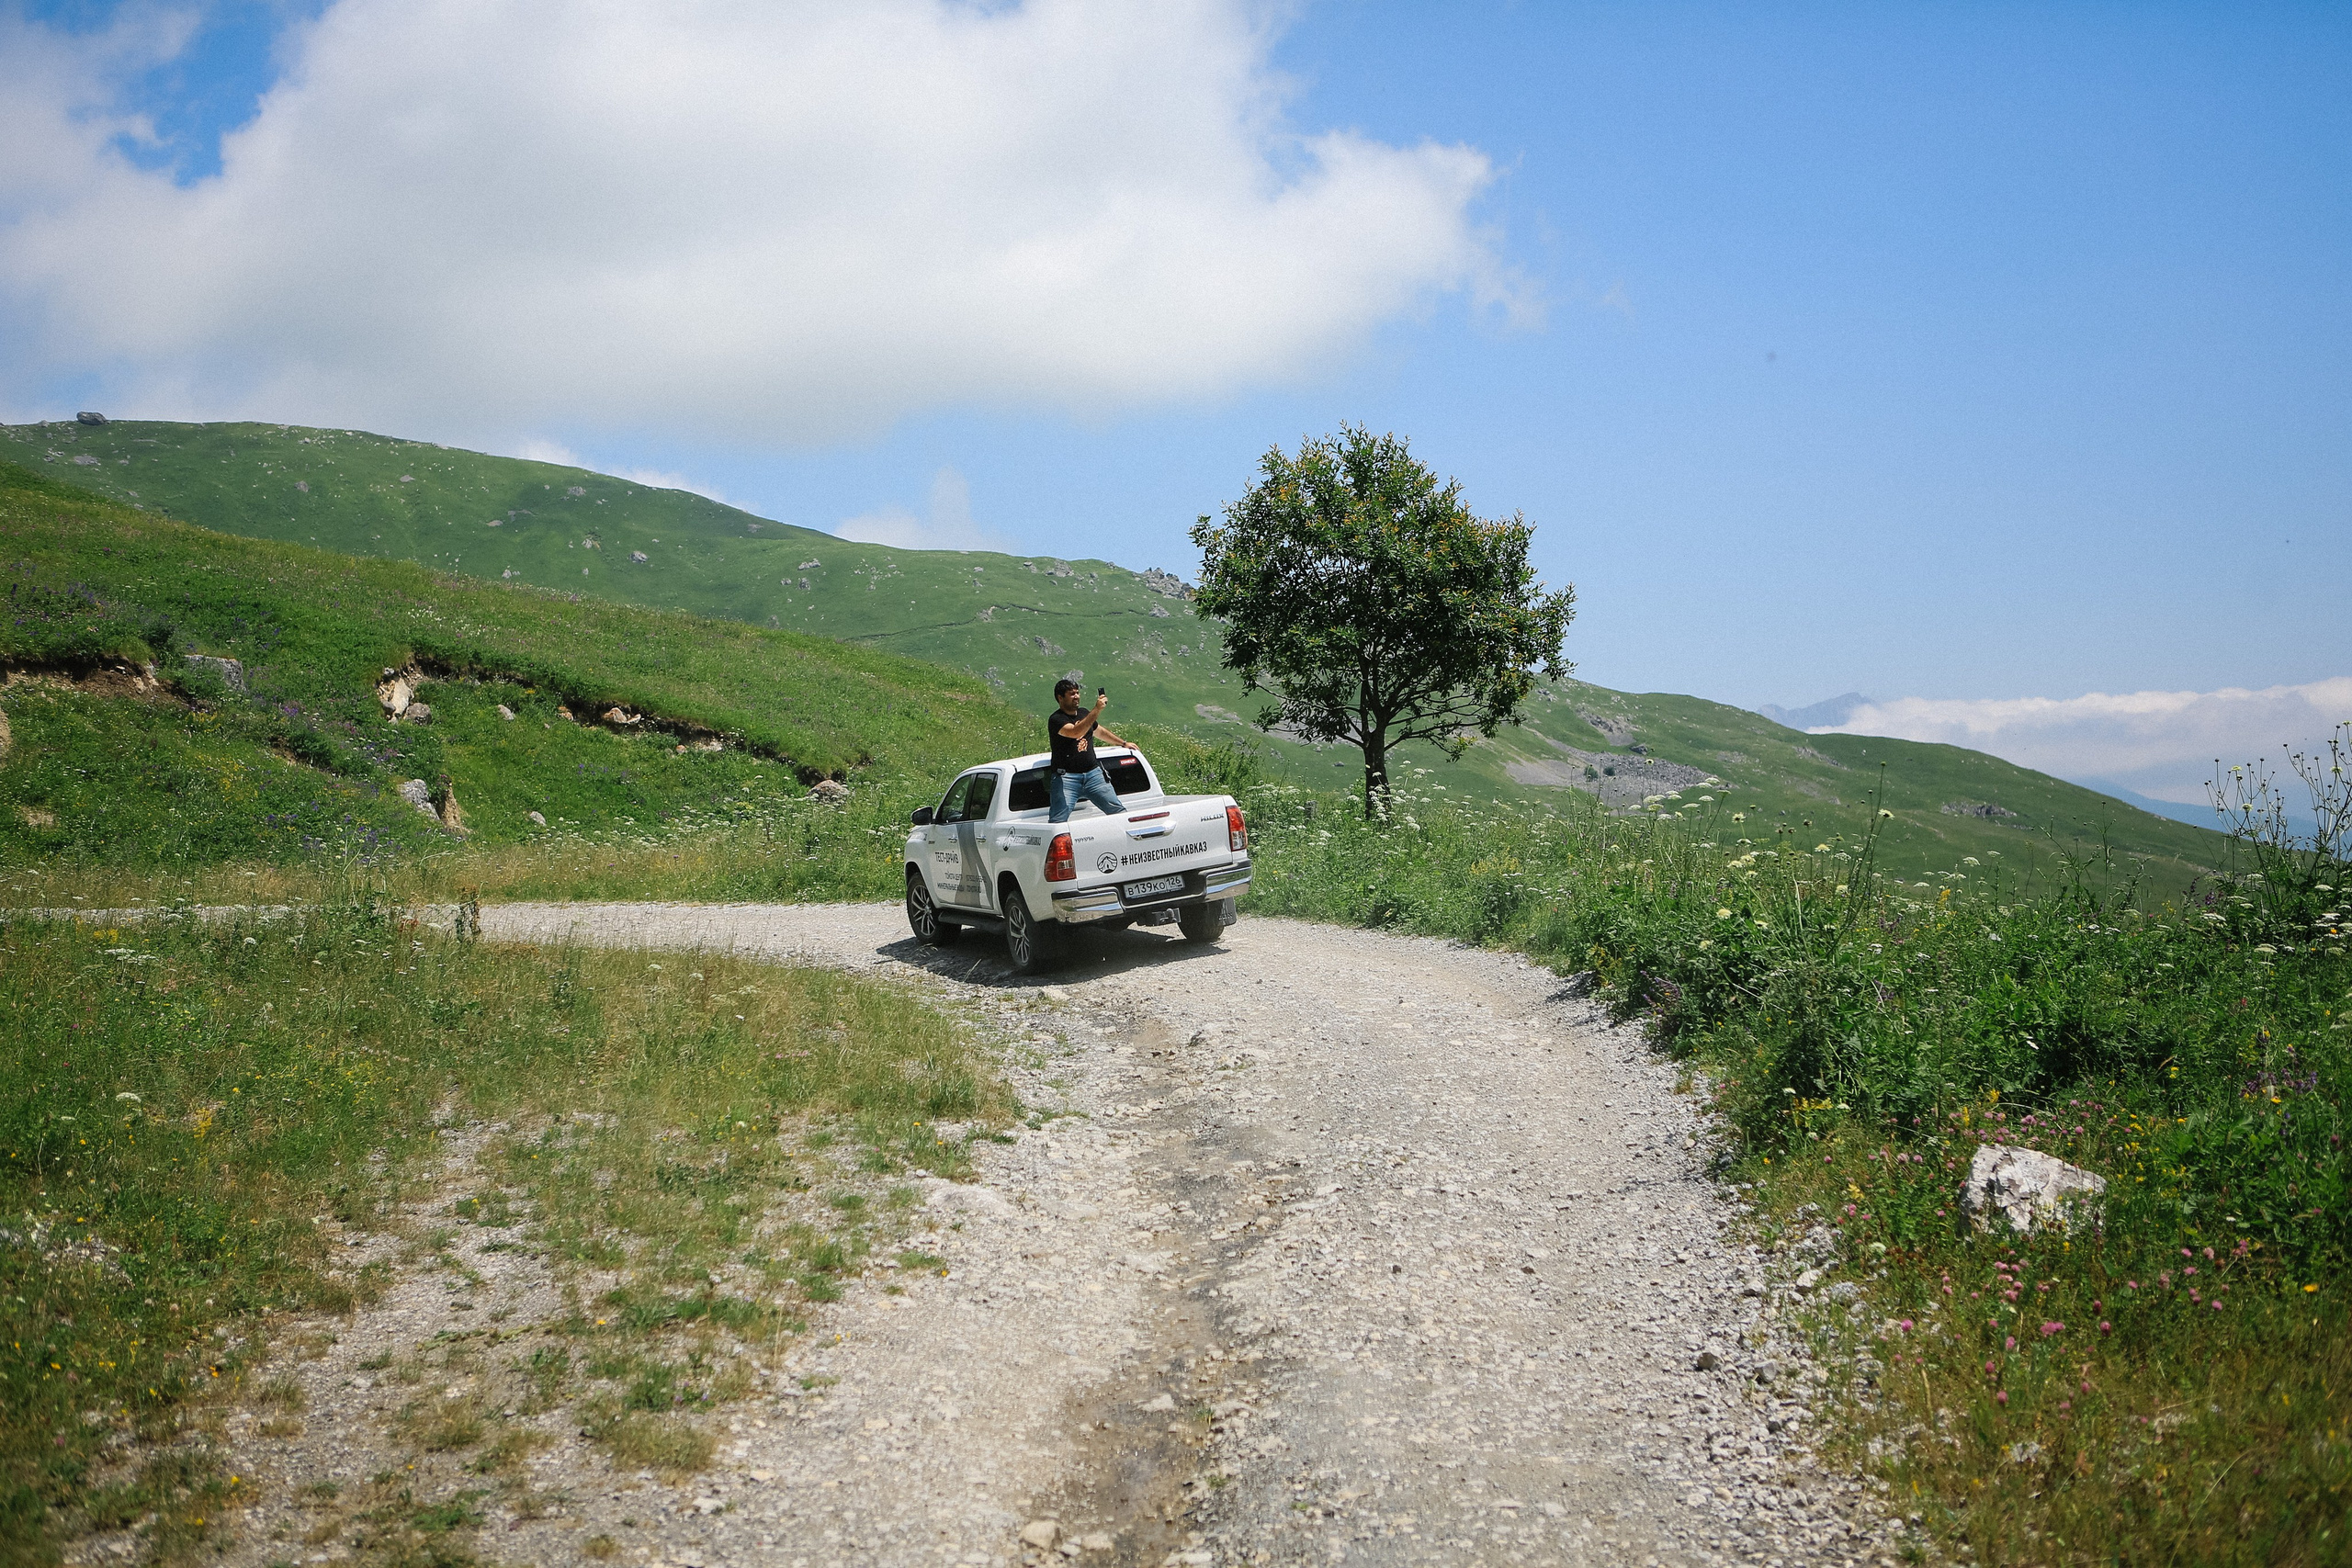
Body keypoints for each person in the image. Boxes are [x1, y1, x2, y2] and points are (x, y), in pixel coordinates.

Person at [1046, 678, 1130, 823]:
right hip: (1066, 778)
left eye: (1078, 693)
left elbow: (1099, 732)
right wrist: (1097, 709)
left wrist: (1123, 743)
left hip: (1093, 775)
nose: (1077, 696)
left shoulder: (1084, 713)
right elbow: (1075, 732)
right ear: (1060, 698)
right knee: (1059, 820)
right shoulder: (1056, 719)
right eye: (1072, 694)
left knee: (1118, 812)